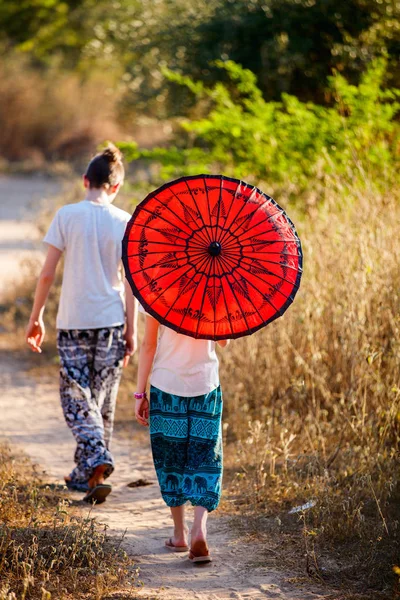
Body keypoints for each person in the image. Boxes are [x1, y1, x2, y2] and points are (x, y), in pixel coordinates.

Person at [26, 144, 137, 504]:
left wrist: (36, 317)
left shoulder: (66, 215)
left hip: (74, 321)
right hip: (112, 321)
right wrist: (131, 329)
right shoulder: (124, 221)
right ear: (116, 187)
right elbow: (132, 282)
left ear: (84, 181)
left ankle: (97, 463)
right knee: (101, 401)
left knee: (77, 399)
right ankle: (89, 475)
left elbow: (46, 274)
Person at [134, 308, 229, 563]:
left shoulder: (155, 289)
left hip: (167, 386)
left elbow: (148, 345)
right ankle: (199, 527)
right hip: (205, 385)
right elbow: (224, 340)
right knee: (206, 456)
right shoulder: (214, 289)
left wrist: (140, 394)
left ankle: (179, 534)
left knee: (171, 460)